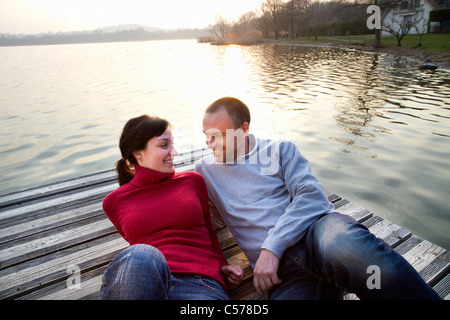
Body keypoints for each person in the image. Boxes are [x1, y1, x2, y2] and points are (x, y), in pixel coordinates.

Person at [195, 97, 441, 300]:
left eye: (217, 135)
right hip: (283, 275)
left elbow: (312, 197)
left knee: (371, 266)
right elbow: (204, 221)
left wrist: (271, 247)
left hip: (319, 235)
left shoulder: (280, 150)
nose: (209, 143)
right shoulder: (206, 171)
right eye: (206, 135)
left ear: (244, 129)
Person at [100, 115, 243, 300]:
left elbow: (208, 231)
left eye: (172, 144)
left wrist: (222, 265)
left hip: (199, 284)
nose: (174, 152)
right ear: (138, 153)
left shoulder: (192, 181)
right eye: (164, 145)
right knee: (140, 252)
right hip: (145, 281)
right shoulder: (114, 202)